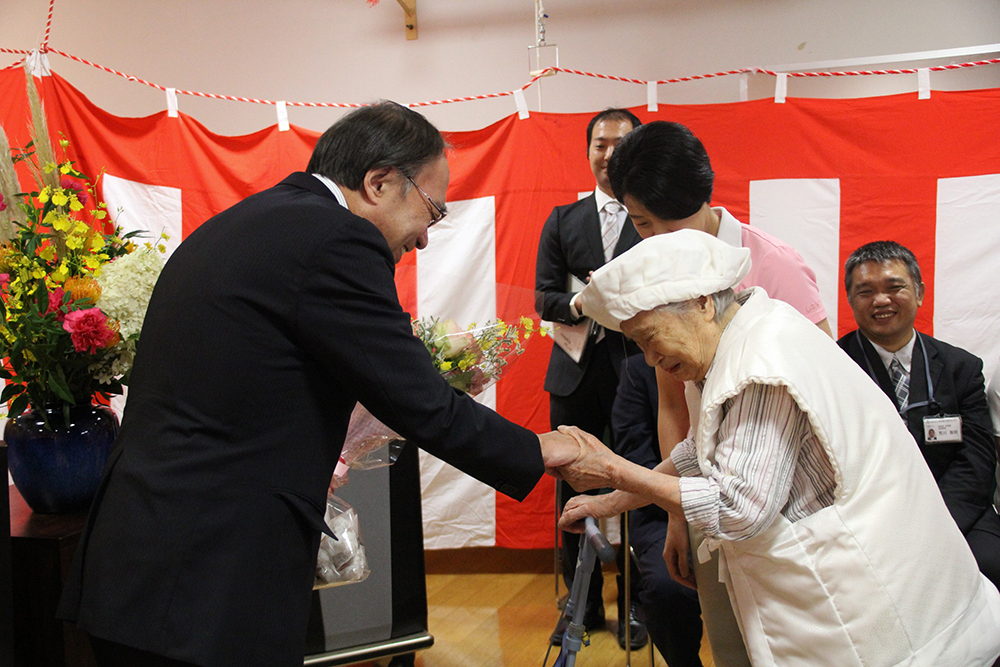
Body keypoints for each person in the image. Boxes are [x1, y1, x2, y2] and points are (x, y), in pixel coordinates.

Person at [57, 101, 579, 667]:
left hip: (145, 562)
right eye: (432, 210)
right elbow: (416, 398)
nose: (426, 238)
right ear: (379, 183)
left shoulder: (254, 220)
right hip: (203, 583)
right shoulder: (335, 240)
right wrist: (538, 450)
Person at [556, 230, 1000, 667]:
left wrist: (614, 470)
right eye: (638, 344)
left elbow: (739, 509)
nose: (650, 358)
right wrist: (614, 501)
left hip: (871, 604)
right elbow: (702, 451)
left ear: (702, 303)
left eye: (650, 337)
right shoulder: (739, 336)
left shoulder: (761, 362)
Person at [604, 119, 832, 666]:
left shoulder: (772, 264)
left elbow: (822, 389)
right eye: (640, 224)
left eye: (665, 222)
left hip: (790, 508)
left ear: (702, 198)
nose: (655, 240)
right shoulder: (655, 274)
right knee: (731, 644)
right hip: (707, 497)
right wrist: (679, 515)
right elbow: (672, 405)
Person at [535, 108, 647, 648]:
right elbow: (543, 297)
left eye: (620, 144)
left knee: (638, 483)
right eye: (600, 145)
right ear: (587, 152)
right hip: (573, 377)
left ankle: (635, 604)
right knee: (572, 492)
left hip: (637, 375)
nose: (609, 154)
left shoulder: (652, 216)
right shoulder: (562, 220)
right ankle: (578, 604)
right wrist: (587, 301)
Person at [839, 240, 1000, 591]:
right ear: (850, 300)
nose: (881, 300)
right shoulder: (831, 367)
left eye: (894, 287)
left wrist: (937, 526)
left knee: (990, 564)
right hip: (867, 518)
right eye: (865, 291)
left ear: (919, 292)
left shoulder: (962, 367)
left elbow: (976, 461)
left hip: (955, 512)